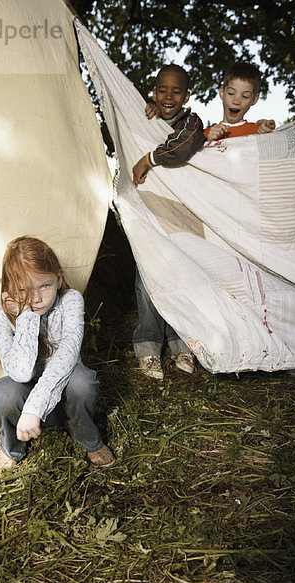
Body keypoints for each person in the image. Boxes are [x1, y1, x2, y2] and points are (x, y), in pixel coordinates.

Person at [0, 236, 114, 474]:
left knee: (82, 382)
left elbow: (67, 356)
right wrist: (27, 317)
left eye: (45, 286)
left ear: (59, 278)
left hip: (60, 399)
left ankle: (85, 435)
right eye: (23, 289)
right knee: (5, 393)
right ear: (7, 288)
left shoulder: (71, 301)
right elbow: (21, 373)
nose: (35, 298)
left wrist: (35, 409)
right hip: (23, 404)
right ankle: (11, 445)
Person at [132, 65, 206, 380]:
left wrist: (148, 159)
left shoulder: (192, 122)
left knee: (182, 279)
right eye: (162, 90)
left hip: (182, 216)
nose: (168, 96)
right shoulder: (146, 119)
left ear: (186, 96)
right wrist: (146, 115)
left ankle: (181, 344)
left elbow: (182, 147)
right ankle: (148, 347)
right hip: (150, 215)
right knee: (146, 281)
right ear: (154, 92)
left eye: (176, 91)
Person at [204, 62, 275, 141]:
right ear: (222, 92)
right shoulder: (204, 135)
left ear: (254, 99)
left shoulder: (258, 131)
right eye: (231, 93)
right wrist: (208, 142)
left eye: (245, 96)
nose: (236, 101)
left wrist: (268, 134)